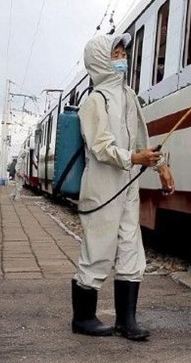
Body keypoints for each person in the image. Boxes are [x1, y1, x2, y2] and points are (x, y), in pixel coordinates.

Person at [70, 32, 175, 341]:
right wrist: (133, 157)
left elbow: (141, 137)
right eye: (115, 54)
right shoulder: (95, 101)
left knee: (131, 249)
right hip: (102, 187)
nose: (122, 59)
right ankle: (83, 318)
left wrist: (161, 167)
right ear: (101, 60)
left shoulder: (129, 96)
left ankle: (126, 321)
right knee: (98, 251)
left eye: (122, 54)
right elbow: (101, 147)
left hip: (128, 185)